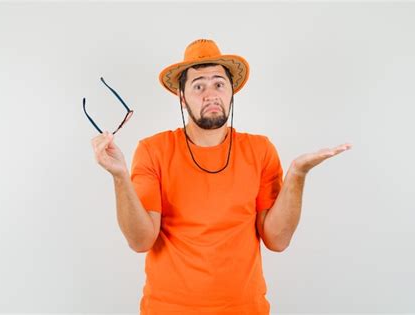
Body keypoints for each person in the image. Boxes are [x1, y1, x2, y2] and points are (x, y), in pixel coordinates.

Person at [90, 39, 352, 315]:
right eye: (198, 86)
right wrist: (119, 177)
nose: (210, 93)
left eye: (219, 83)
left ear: (231, 92)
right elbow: (140, 240)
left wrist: (298, 173)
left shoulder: (260, 149)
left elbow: (278, 240)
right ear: (182, 97)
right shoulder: (153, 150)